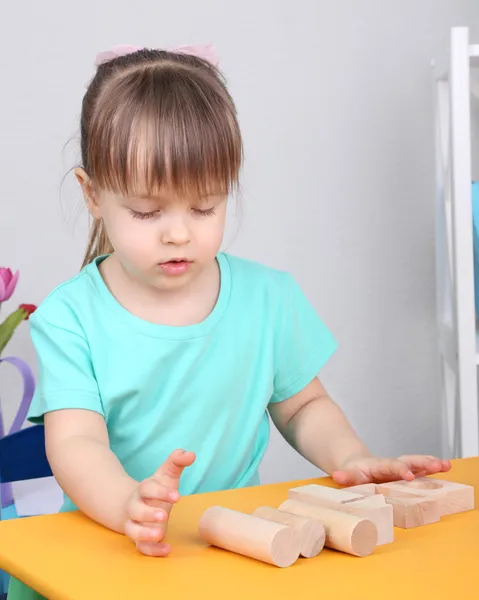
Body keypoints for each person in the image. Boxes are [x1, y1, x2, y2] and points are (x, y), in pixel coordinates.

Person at [8, 43, 450, 599]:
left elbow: (304, 406)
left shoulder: (267, 298)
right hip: (110, 551)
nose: (178, 233)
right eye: (147, 212)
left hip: (228, 552)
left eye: (205, 207)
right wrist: (128, 505)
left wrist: (350, 457)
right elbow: (76, 444)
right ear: (93, 194)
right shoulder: (71, 316)